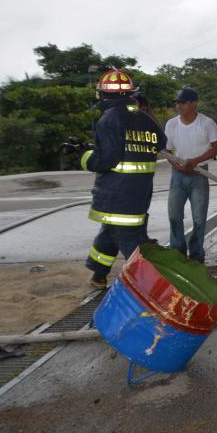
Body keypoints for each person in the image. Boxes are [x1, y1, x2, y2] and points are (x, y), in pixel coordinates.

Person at [66, 69, 166, 289]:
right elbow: (159, 142)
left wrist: (84, 157)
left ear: (103, 94)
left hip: (116, 193)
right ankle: (98, 275)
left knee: (130, 240)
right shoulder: (144, 118)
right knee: (110, 232)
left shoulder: (109, 119)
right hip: (139, 193)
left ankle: (153, 288)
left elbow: (107, 160)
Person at [164, 87, 217, 264]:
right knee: (174, 215)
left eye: (183, 102)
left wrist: (195, 161)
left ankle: (196, 255)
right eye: (177, 103)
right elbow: (166, 150)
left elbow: (216, 147)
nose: (179, 106)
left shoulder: (207, 123)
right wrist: (177, 166)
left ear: (194, 103)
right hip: (178, 176)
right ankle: (177, 252)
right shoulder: (171, 124)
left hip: (199, 175)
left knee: (199, 218)